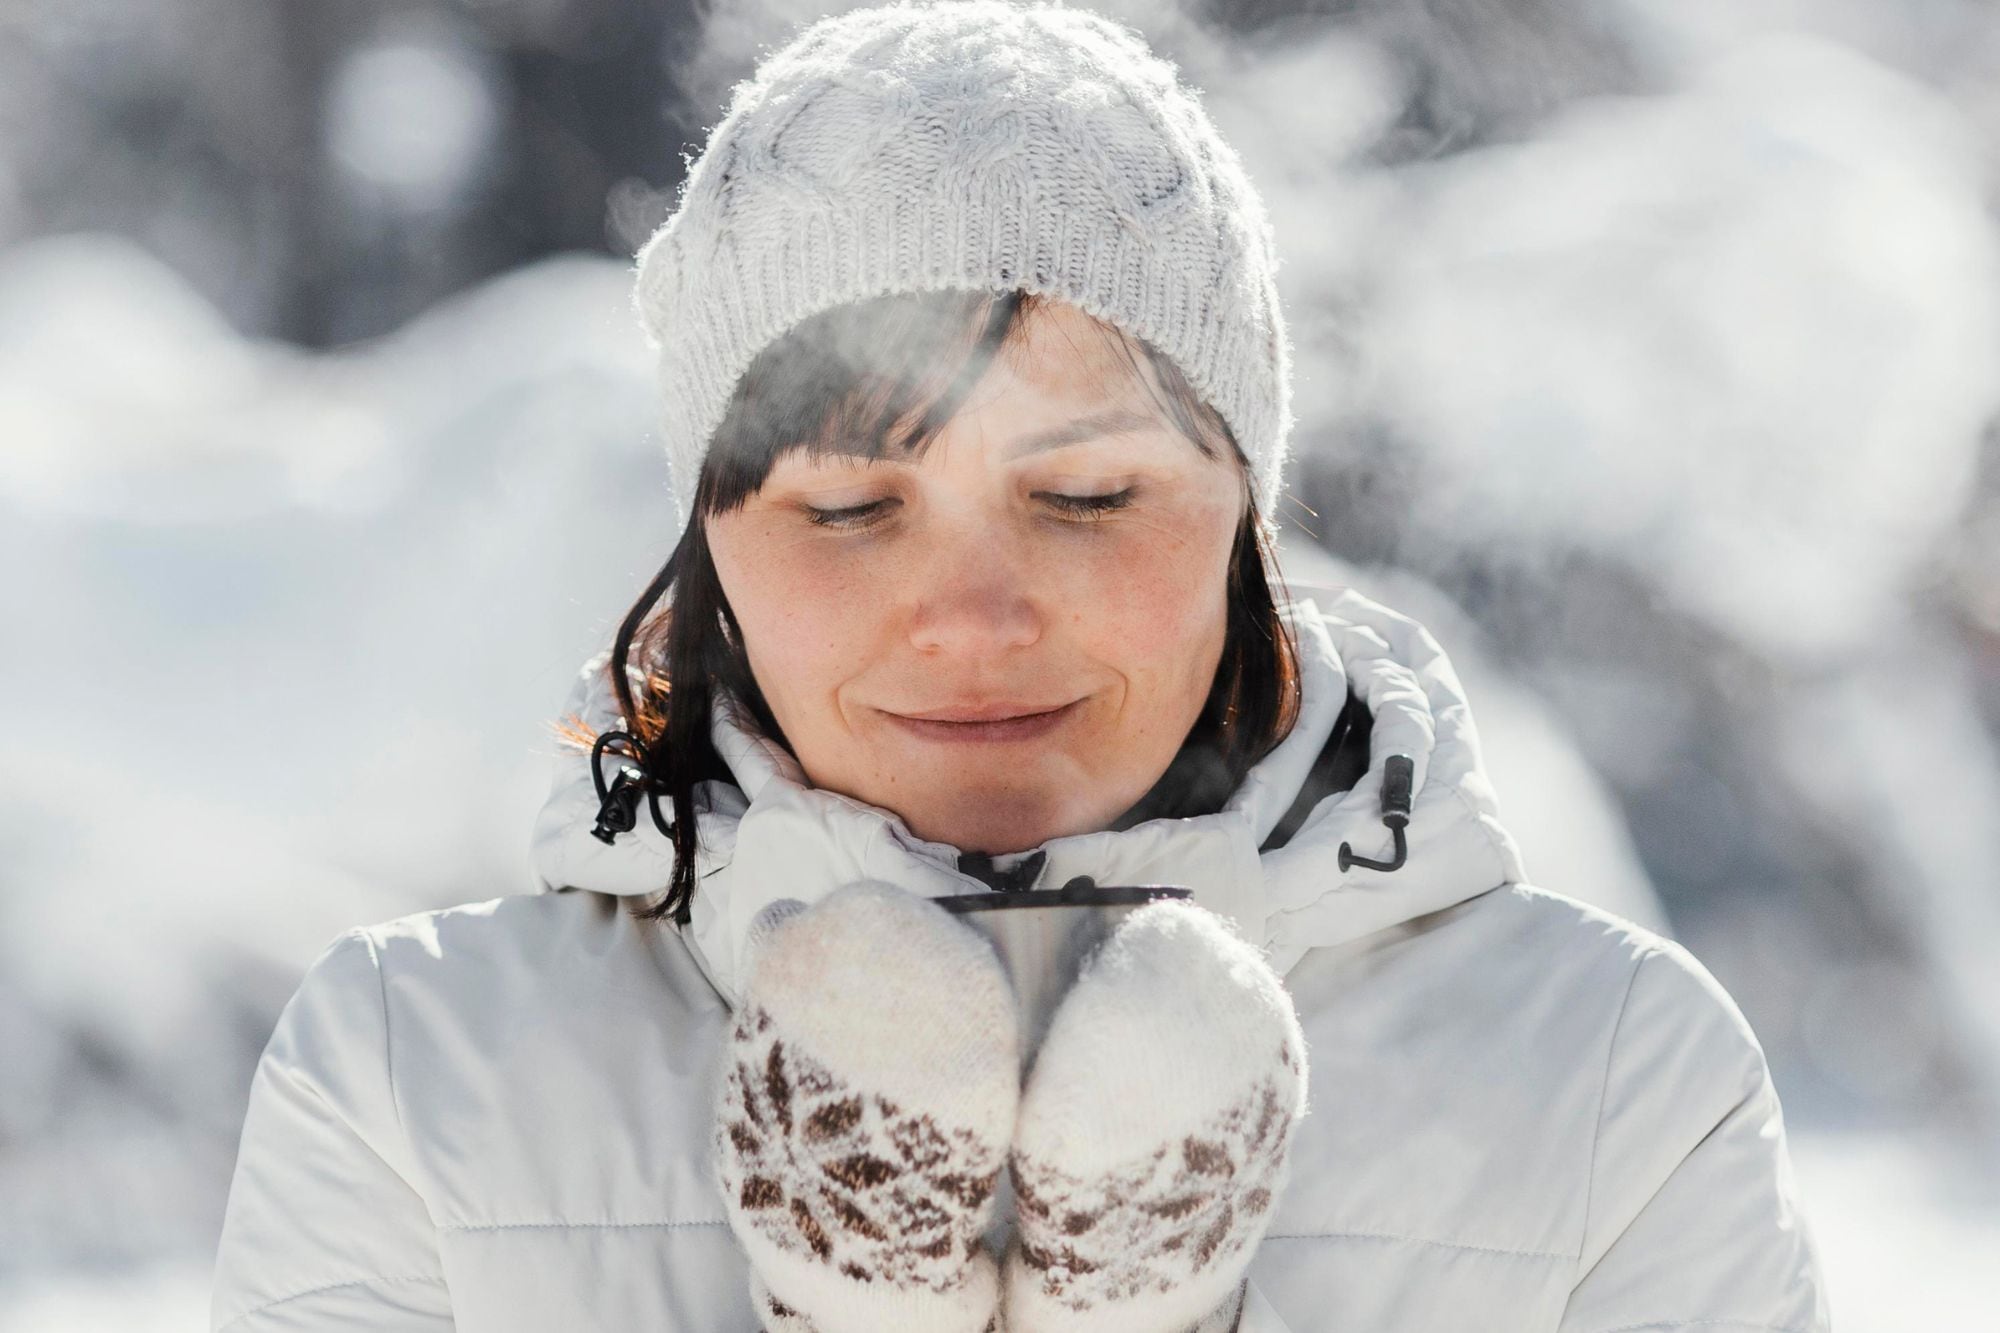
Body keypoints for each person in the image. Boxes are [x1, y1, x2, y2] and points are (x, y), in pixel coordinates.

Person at [208, 3, 1830, 1331]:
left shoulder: (1608, 1082)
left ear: (1245, 512)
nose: (973, 619)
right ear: (708, 539)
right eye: (850, 507)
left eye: (1084, 495)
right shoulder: (416, 1081)